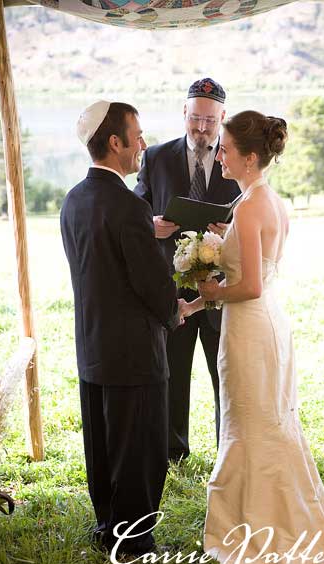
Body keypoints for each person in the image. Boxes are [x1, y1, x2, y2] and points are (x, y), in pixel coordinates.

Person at [181, 111, 324, 564]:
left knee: (254, 423)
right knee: (262, 419)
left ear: (250, 157)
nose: (220, 154)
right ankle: (261, 515)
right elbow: (258, 265)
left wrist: (210, 293)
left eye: (227, 149)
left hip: (252, 326)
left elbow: (250, 285)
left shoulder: (252, 205)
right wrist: (212, 266)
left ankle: (265, 530)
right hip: (266, 325)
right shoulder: (262, 200)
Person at [61, 101, 182, 555]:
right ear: (116, 143)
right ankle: (133, 540)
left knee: (102, 445)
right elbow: (152, 284)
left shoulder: (73, 199)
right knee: (140, 448)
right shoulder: (131, 207)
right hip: (134, 353)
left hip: (92, 348)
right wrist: (175, 311)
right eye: (138, 135)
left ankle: (107, 525)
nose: (144, 145)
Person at [134, 78, 240, 462]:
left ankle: (225, 449)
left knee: (223, 376)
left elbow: (249, 214)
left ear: (222, 117)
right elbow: (134, 210)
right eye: (195, 119)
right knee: (173, 377)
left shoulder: (236, 157)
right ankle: (174, 451)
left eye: (210, 122)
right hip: (172, 290)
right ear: (184, 113)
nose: (201, 128)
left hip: (222, 287)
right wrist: (151, 223)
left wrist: (233, 231)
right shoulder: (156, 157)